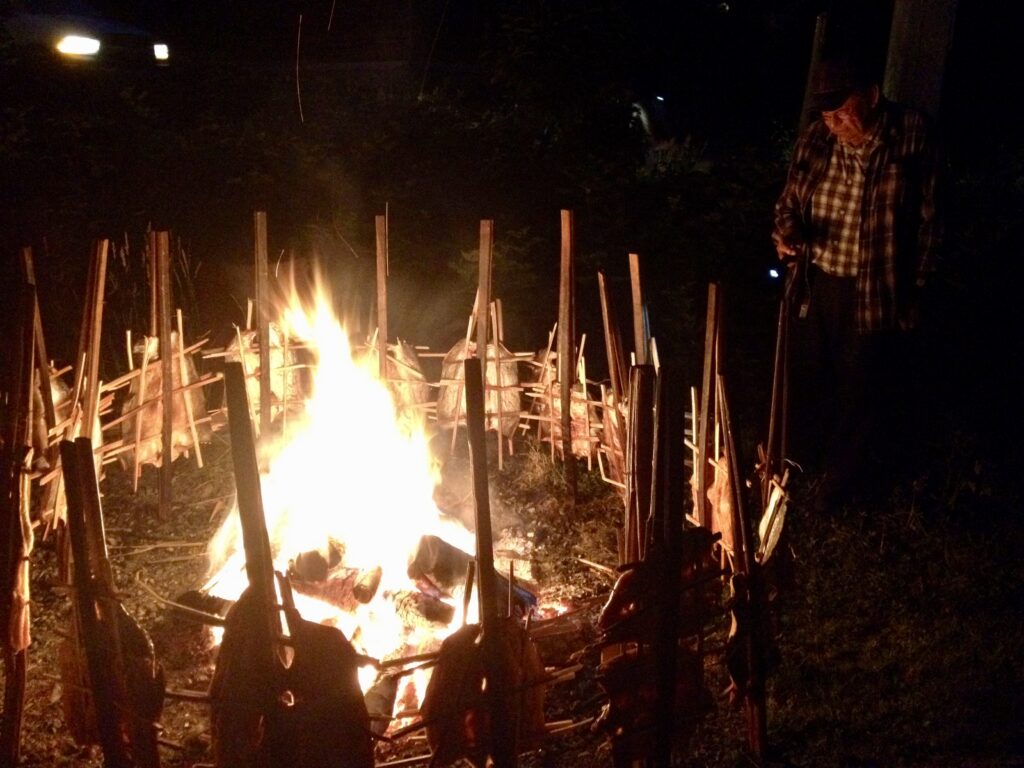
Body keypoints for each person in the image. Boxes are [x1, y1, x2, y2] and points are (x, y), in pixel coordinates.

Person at [771, 54, 942, 507]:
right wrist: (787, 234)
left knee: (860, 387)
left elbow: (932, 221)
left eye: (843, 111)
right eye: (827, 116)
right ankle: (796, 471)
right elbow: (787, 203)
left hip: (875, 287)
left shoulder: (909, 136)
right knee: (805, 379)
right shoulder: (817, 140)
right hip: (816, 279)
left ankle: (842, 486)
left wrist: (918, 289)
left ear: (870, 96)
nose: (835, 123)